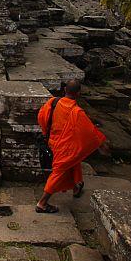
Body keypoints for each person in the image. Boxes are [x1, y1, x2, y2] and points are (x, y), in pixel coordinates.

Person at [36, 79, 109, 214]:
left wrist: (47, 132)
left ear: (65, 90)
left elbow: (41, 116)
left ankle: (77, 186)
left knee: (75, 159)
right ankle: (42, 203)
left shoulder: (53, 102)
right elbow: (89, 131)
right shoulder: (76, 112)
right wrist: (101, 144)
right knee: (59, 171)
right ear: (79, 93)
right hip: (63, 145)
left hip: (53, 141)